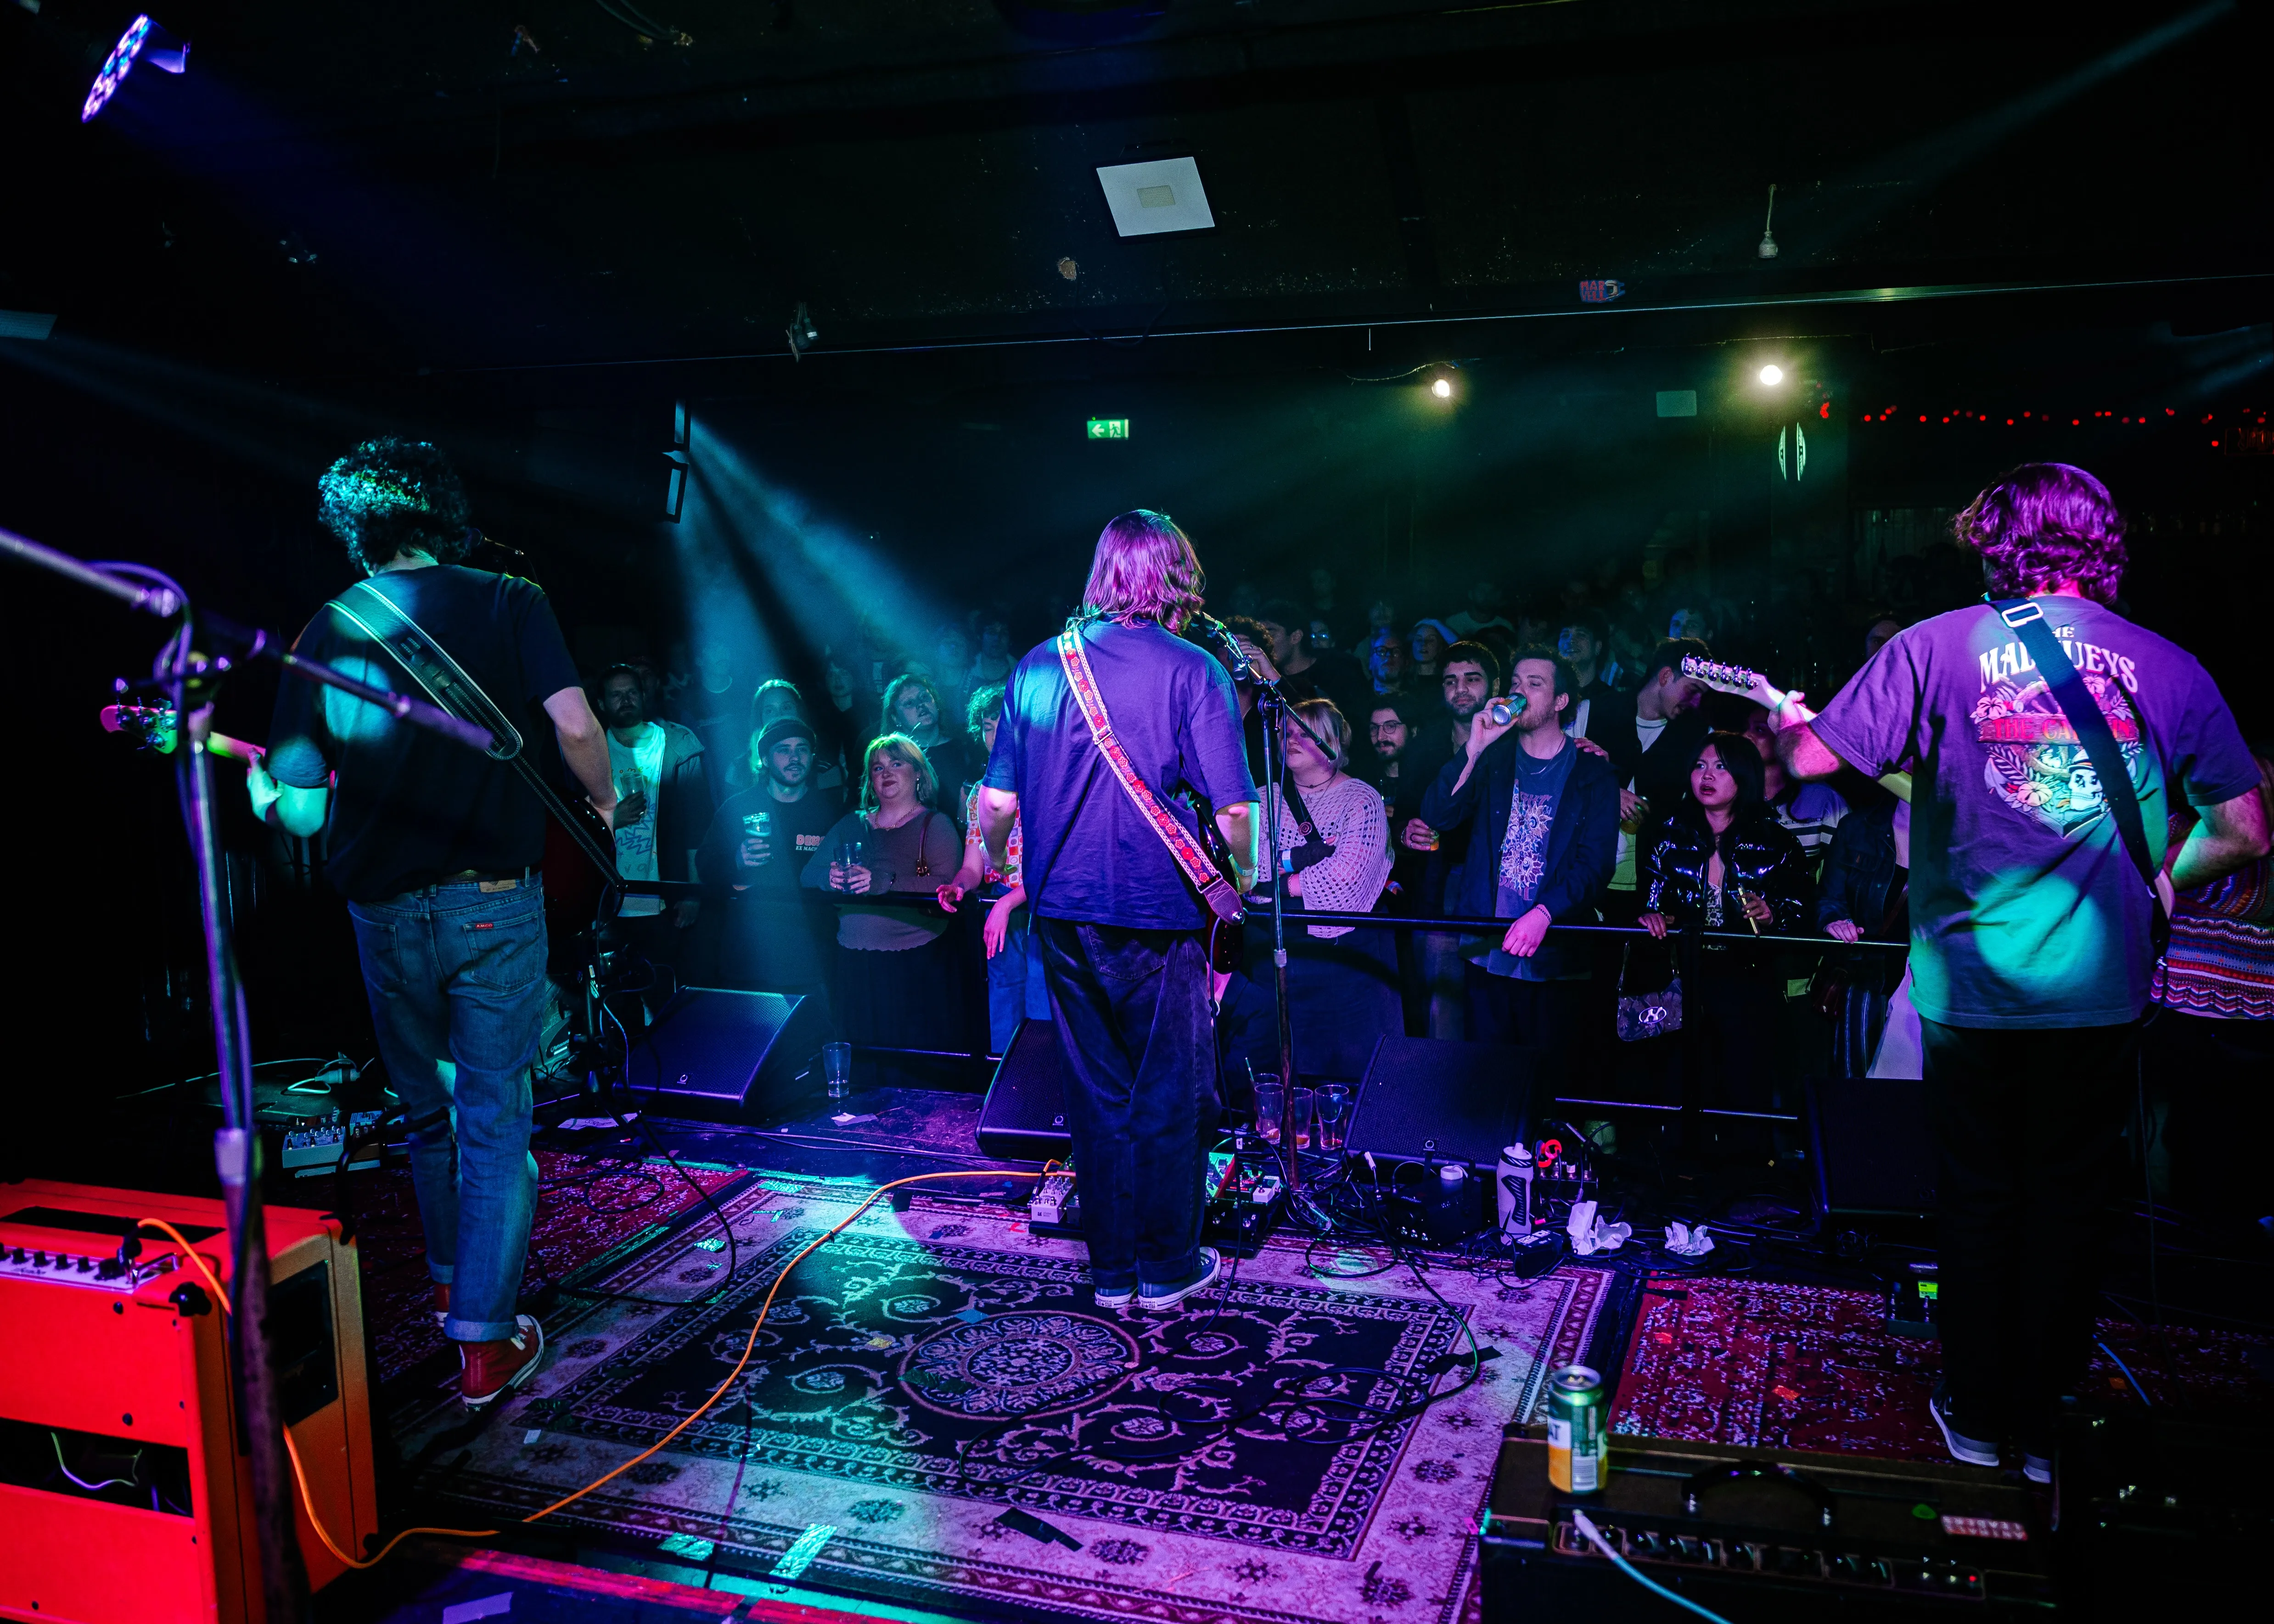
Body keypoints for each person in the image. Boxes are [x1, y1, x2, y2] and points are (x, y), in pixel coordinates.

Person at [1772, 462, 2268, 1480]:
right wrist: (2164, 884)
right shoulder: (2167, 664)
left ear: (1994, 541)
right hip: (2098, 988)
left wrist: (1787, 718)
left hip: (1971, 984)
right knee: (2072, 1202)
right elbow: (2247, 828)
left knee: (1978, 1197)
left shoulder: (1936, 643)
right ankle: (2043, 1420)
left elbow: (1813, 764)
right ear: (2103, 544)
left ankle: (1978, 1407)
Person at [249, 437, 617, 1406]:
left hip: (381, 912)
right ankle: (486, 1345)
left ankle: (459, 1286)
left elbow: (300, 809)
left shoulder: (328, 627)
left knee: (427, 1113)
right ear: (439, 514)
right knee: (495, 1118)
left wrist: (260, 790)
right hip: (491, 899)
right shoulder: (509, 599)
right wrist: (608, 799)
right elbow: (576, 725)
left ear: (354, 527)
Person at [970, 510, 1259, 1314]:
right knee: (1168, 1092)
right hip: (1157, 914)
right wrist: (1248, 873)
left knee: (1095, 1095)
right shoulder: (1192, 668)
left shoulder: (1034, 667)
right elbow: (1234, 812)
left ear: (1102, 572)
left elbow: (993, 802)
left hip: (1063, 916)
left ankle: (1110, 1271)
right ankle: (1167, 1268)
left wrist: (999, 863)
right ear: (1175, 572)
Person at [1420, 647, 1617, 1118]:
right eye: (1515, 682)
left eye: (1534, 684)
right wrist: (1474, 747)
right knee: (1490, 1086)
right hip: (1488, 950)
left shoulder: (1593, 773)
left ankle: (1546, 1186)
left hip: (1552, 954)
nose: (1520, 692)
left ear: (1561, 701)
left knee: (1549, 1089)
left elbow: (1595, 865)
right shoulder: (1493, 761)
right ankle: (1492, 1182)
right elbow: (1438, 815)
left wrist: (1545, 912)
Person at [1637, 732, 1813, 1119]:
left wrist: (1772, 914)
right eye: (1700, 765)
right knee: (1680, 1080)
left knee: (1743, 1084)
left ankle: (1745, 1170)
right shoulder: (1666, 836)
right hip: (1681, 975)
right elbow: (1647, 901)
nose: (1707, 776)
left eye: (1720, 767)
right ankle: (1678, 1168)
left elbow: (1802, 910)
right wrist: (1652, 917)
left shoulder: (1776, 842)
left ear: (1743, 775)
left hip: (1748, 977)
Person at [2149, 743, 2274, 1233]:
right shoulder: (2182, 824)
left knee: (2215, 1149)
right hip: (2187, 1014)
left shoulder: (2228, 839)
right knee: (2198, 1142)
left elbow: (2243, 894)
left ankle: (2212, 1256)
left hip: (2227, 1020)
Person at [1255, 698, 1400, 1078]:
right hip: (1286, 949)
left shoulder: (1361, 798)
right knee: (1295, 1066)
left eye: (1305, 734)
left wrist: (1280, 879)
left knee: (1354, 1070)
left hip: (1348, 956)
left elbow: (1345, 884)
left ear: (1333, 742)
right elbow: (1250, 876)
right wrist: (1309, 856)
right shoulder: (1265, 797)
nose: (1292, 741)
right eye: (1287, 733)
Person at [800, 735, 966, 1053]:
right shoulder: (852, 823)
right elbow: (809, 874)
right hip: (853, 962)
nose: (886, 772)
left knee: (913, 1061)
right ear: (870, 780)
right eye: (878, 768)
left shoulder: (935, 823)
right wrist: (829, 878)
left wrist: (883, 882)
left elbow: (946, 883)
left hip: (915, 963)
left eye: (896, 763)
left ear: (918, 773)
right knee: (863, 1059)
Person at [697, 716, 843, 1014]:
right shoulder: (738, 807)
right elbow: (705, 865)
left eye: (802, 749)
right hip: (752, 956)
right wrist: (736, 860)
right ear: (764, 758)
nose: (794, 758)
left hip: (813, 957)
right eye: (783, 750)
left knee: (813, 1047)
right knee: (756, 1052)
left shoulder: (831, 811)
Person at [937, 685, 1051, 1055]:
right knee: (1003, 1003)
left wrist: (1007, 905)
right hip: (1002, 910)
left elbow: (1055, 867)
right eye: (988, 727)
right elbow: (974, 865)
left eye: (1002, 724)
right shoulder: (980, 794)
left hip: (1042, 909)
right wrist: (958, 886)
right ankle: (1006, 1096)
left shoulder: (1049, 784)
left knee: (1043, 1005)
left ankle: (1044, 1099)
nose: (995, 735)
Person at [1401, 641, 1500, 1038]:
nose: (1460, 689)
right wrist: (1407, 830)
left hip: (1499, 886)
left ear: (1494, 687)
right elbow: (1408, 812)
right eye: (1450, 681)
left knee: (1495, 999)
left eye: (1471, 679)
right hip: (1441, 886)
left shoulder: (1515, 742)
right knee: (1443, 1003)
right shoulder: (1425, 746)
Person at [598, 664, 712, 997]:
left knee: (668, 999)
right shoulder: (588, 753)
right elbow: (566, 823)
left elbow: (698, 827)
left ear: (644, 696)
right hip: (611, 905)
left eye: (631, 692)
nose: (625, 700)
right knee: (620, 1006)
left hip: (665, 902)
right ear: (602, 704)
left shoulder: (677, 745)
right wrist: (609, 819)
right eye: (615, 695)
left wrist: (693, 892)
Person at [1816, 793, 1910, 1077]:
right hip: (1868, 982)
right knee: (1857, 1084)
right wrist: (1834, 921)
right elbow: (1828, 899)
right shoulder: (1857, 828)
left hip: (1929, 985)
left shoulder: (1965, 831)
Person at [1737, 701, 1848, 880]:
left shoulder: (1824, 800)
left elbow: (1842, 877)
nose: (1746, 736)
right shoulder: (1730, 794)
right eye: (1745, 728)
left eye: (1759, 730)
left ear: (1783, 735)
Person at [880, 672, 972, 811]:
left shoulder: (965, 747)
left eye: (924, 697)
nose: (920, 705)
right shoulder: (894, 760)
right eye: (910, 703)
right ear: (896, 719)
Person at [1410, 617, 1454, 682]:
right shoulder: (1403, 680)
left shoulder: (1448, 680)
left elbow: (1459, 647)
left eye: (1431, 640)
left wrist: (1435, 623)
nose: (1423, 644)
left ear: (1440, 646)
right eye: (1419, 639)